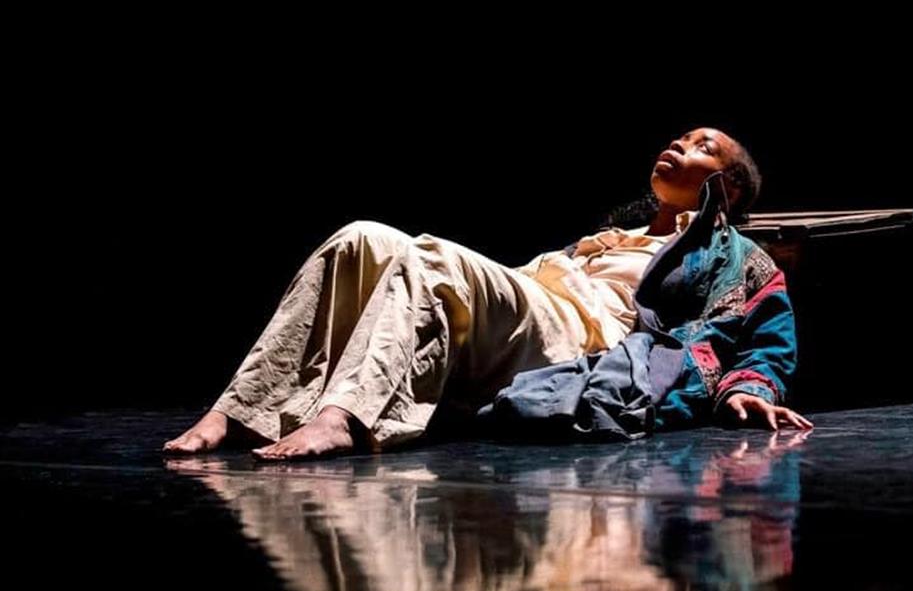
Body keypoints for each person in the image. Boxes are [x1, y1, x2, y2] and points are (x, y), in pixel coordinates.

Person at [163, 127, 811, 460]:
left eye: (704, 146)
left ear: (725, 188)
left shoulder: (730, 253)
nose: (680, 143)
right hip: (529, 305)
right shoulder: (608, 236)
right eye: (682, 134)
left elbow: (767, 328)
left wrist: (750, 387)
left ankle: (346, 416)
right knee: (359, 237)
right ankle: (242, 407)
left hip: (584, 336)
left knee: (435, 259)